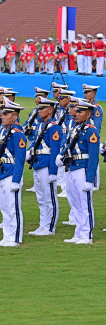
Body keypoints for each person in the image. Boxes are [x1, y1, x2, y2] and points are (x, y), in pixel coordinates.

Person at [59, 100, 99, 244]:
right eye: (77, 111)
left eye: (80, 112)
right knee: (74, 203)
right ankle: (78, 232)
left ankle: (86, 234)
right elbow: (68, 145)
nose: (76, 114)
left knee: (84, 203)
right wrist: (61, 155)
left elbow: (94, 157)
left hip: (83, 169)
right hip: (72, 167)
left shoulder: (91, 131)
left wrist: (90, 180)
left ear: (88, 115)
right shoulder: (76, 129)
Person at [0, 99, 27, 247]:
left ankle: (15, 238)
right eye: (2, 113)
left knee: (13, 209)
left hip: (12, 174)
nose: (2, 116)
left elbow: (20, 160)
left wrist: (16, 180)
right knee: (4, 208)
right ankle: (7, 236)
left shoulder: (18, 135)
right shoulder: (2, 131)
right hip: (2, 173)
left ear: (14, 116)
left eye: (6, 114)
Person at [26, 97, 62, 236]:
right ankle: (43, 225)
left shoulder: (54, 128)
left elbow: (54, 151)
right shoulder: (41, 126)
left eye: (42, 108)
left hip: (47, 165)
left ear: (50, 110)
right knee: (41, 198)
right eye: (39, 108)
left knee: (49, 198)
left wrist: (53, 172)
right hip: (38, 164)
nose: (39, 111)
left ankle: (50, 227)